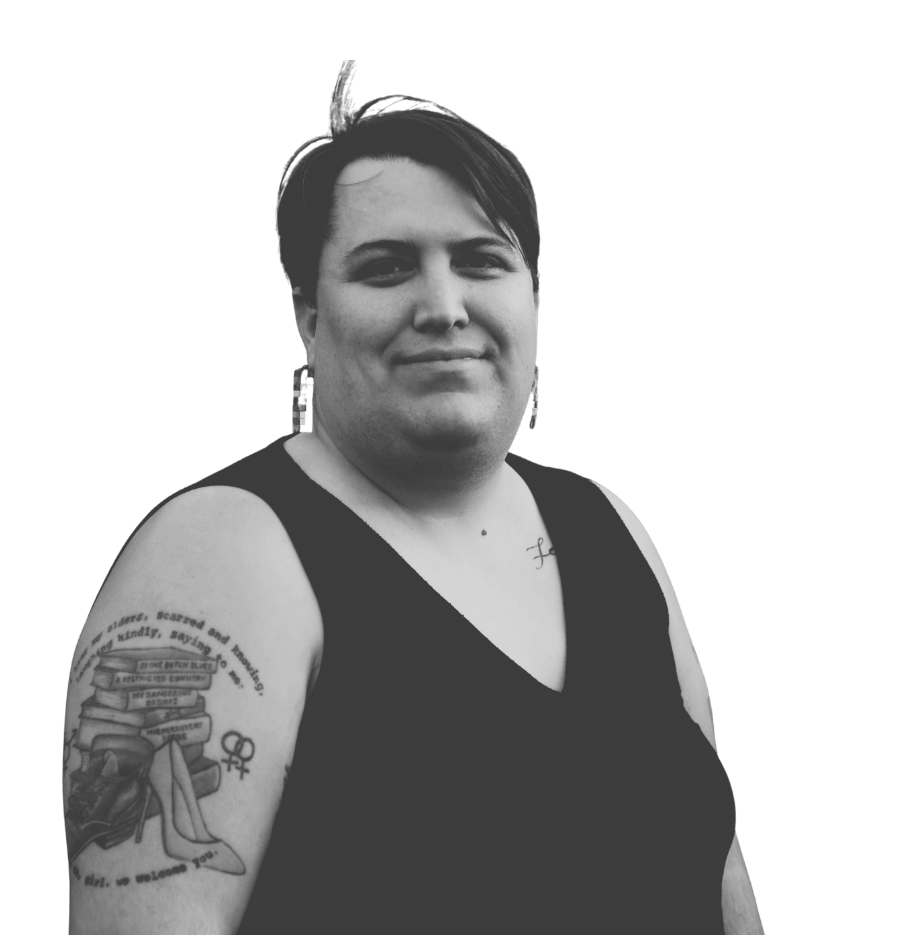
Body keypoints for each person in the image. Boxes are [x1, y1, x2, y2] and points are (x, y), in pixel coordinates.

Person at [63, 61, 765, 935]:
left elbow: (718, 870)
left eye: (482, 261)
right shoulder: (220, 550)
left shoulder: (609, 525)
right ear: (308, 318)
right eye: (387, 268)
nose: (445, 306)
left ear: (534, 299)